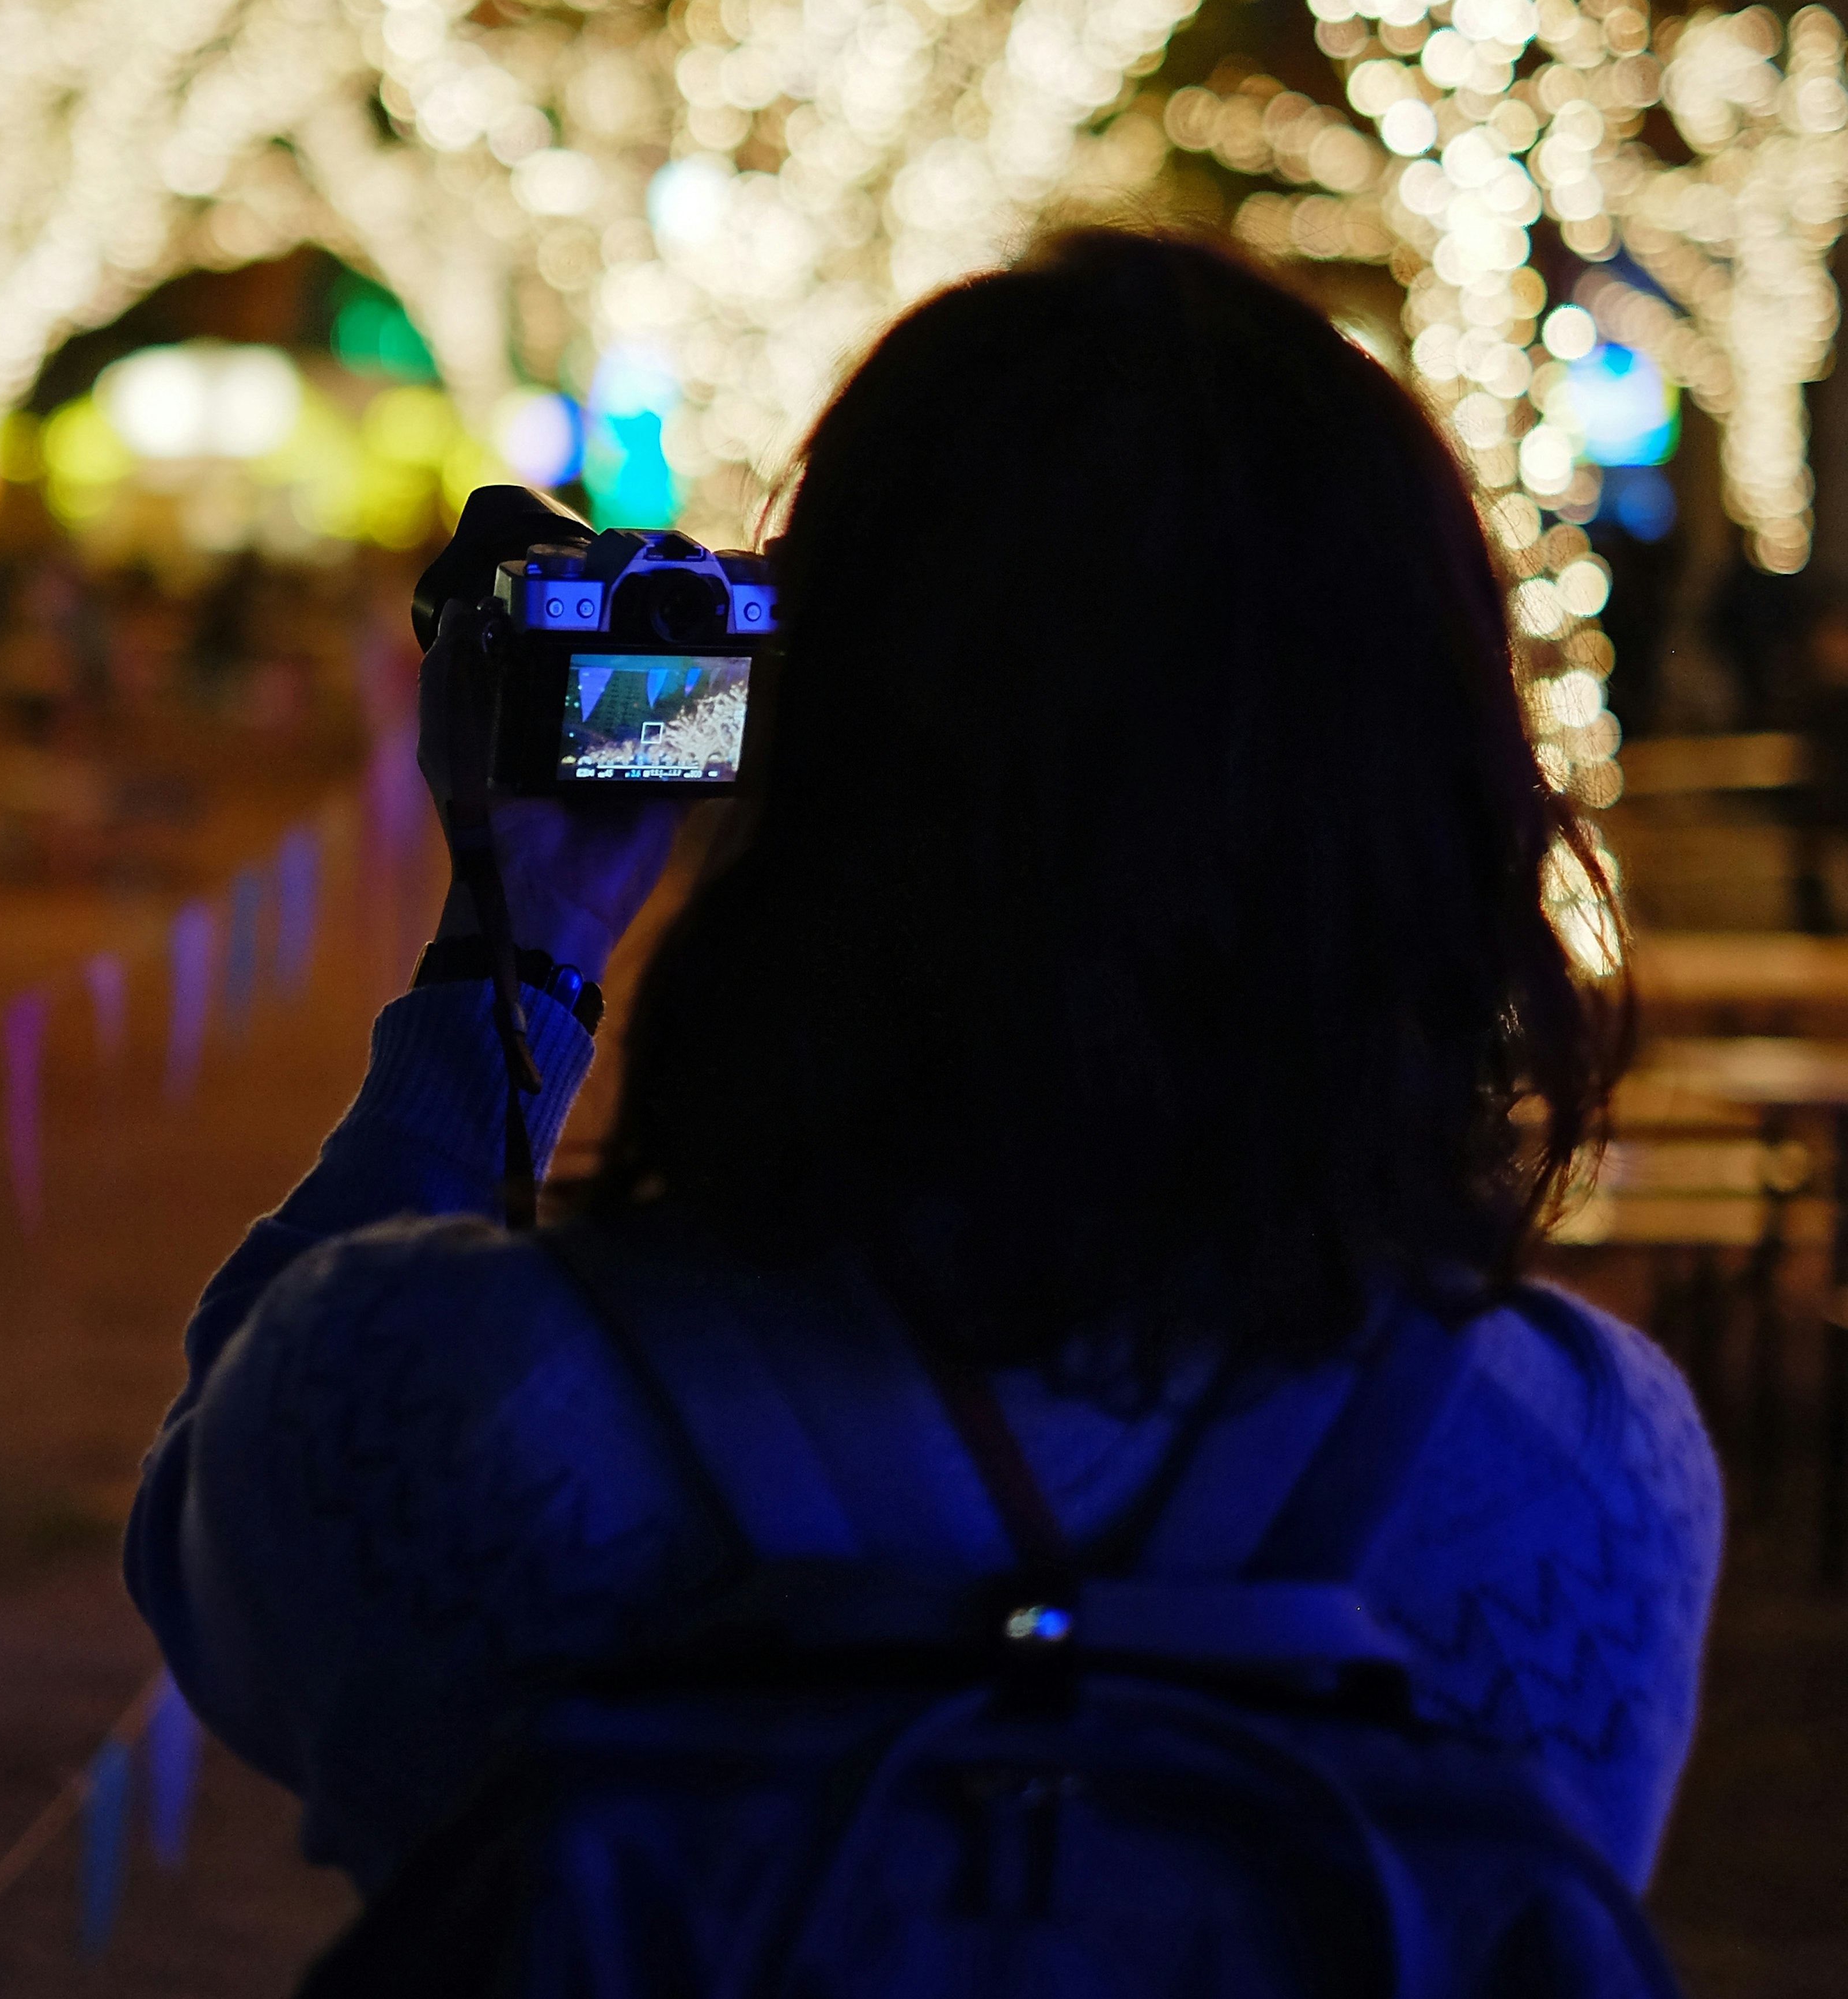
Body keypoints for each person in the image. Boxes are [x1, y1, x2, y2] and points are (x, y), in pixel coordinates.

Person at [126, 228, 1720, 1982]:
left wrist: (526, 945)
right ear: (1442, 794)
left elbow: (205, 1539)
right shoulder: (1581, 1472)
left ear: (813, 751)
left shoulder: (468, 1395)